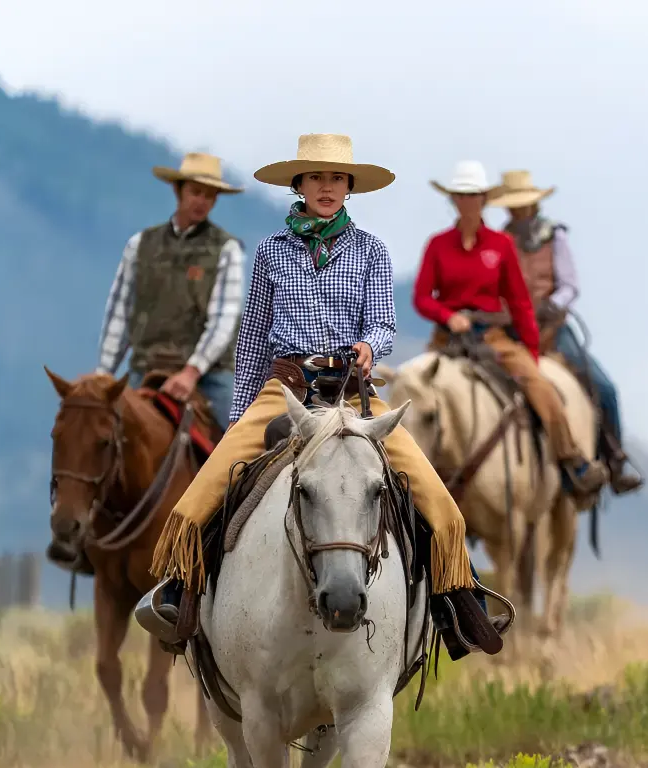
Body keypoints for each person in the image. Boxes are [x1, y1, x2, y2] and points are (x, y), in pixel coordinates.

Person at [150, 134, 509, 661]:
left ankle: (458, 599)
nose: (327, 187)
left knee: (432, 493)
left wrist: (370, 345)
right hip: (286, 389)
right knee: (212, 482)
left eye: (336, 178)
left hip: (353, 392)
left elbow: (383, 322)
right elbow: (252, 337)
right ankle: (179, 595)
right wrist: (240, 415)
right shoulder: (272, 252)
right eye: (316, 177)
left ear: (349, 188)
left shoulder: (371, 250)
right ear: (298, 184)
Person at [414, 160, 608, 506]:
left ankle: (571, 459)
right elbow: (421, 298)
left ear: (484, 198)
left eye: (473, 195)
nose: (467, 201)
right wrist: (447, 315)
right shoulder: (437, 244)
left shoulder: (501, 245)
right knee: (411, 386)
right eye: (460, 195)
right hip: (448, 338)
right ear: (453, 200)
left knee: (538, 385)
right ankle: (403, 472)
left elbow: (518, 300)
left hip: (492, 336)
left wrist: (530, 350)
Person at [488, 170, 643, 494]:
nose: (516, 211)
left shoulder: (554, 236)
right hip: (513, 329)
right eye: (512, 206)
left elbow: (570, 285)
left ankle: (615, 460)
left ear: (533, 204)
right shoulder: (498, 241)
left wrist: (551, 304)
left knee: (603, 387)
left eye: (522, 205)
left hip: (552, 329)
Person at [95, 152, 245, 433]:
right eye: (196, 192)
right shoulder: (140, 245)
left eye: (210, 195)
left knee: (239, 447)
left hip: (209, 376)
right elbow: (120, 312)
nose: (201, 201)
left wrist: (191, 372)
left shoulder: (227, 249)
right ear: (178, 190)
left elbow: (224, 319)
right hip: (146, 368)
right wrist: (104, 374)